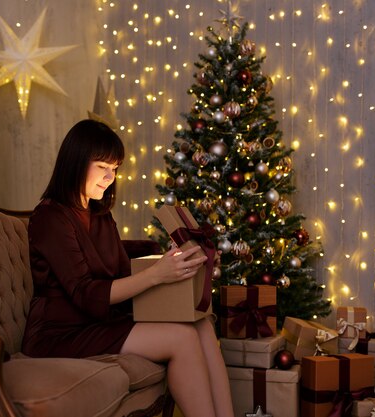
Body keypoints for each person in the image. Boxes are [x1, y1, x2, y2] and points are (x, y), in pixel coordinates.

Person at [21, 119, 234, 417]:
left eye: (115, 169)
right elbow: (85, 292)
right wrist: (156, 274)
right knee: (182, 338)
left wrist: (167, 262)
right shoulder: (50, 218)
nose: (110, 177)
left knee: (199, 323)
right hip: (61, 332)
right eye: (102, 167)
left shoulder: (100, 214)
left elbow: (121, 270)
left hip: (101, 321)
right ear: (77, 162)